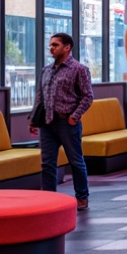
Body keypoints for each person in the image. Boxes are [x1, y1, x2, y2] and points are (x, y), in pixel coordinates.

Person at [30, 33, 93, 210]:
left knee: (75, 161)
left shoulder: (79, 69)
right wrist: (34, 119)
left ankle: (82, 197)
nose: (51, 48)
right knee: (47, 163)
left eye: (55, 45)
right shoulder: (46, 70)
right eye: (50, 45)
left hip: (67, 123)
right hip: (47, 124)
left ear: (67, 47)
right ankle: (49, 198)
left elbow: (87, 96)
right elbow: (40, 96)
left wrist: (75, 116)